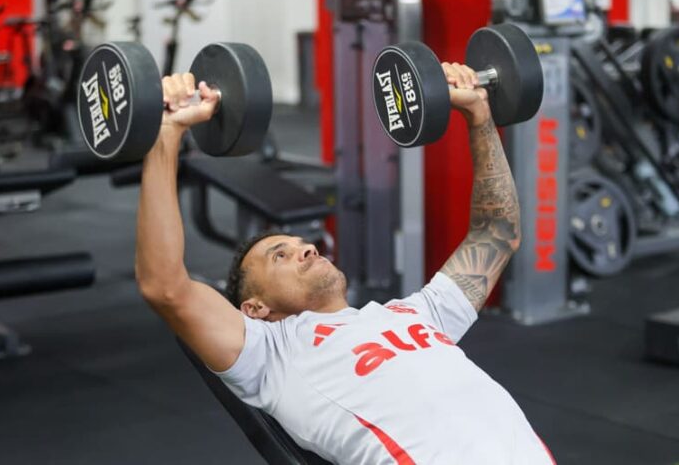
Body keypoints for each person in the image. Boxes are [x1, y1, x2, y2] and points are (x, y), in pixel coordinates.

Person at [135, 64, 556, 464]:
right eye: (279, 255)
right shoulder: (271, 356)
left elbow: (496, 232)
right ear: (256, 308)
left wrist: (479, 113)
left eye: (303, 244)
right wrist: (167, 133)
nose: (306, 249)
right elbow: (165, 287)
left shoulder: (415, 314)